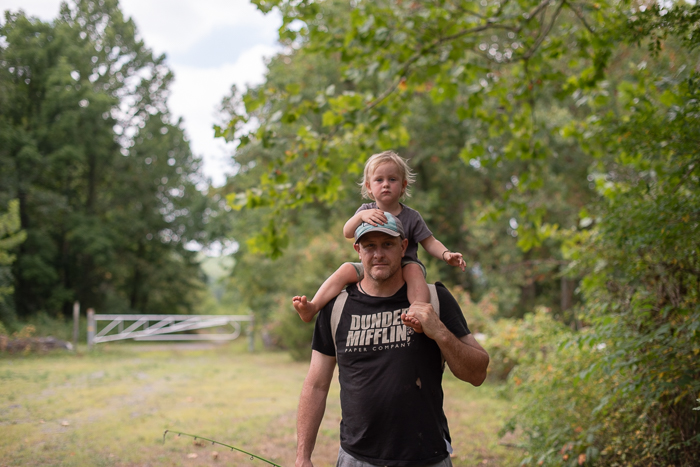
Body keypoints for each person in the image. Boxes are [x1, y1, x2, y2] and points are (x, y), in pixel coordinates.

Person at [295, 213, 490, 467]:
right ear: (358, 251)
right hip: (356, 460)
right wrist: (303, 457)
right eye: (370, 246)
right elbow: (316, 386)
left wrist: (440, 332)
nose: (378, 254)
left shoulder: (434, 300)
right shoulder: (336, 308)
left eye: (387, 244)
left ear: (403, 247)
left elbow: (477, 374)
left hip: (427, 459)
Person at [293, 151, 466, 324]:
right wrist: (361, 217)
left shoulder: (412, 216)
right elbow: (347, 232)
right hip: (372, 264)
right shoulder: (365, 211)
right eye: (379, 180)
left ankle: (419, 314)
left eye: (392, 179)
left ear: (403, 185)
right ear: (369, 187)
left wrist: (446, 254)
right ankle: (313, 307)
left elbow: (430, 242)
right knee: (345, 268)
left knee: (414, 271)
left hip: (406, 263)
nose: (386, 185)